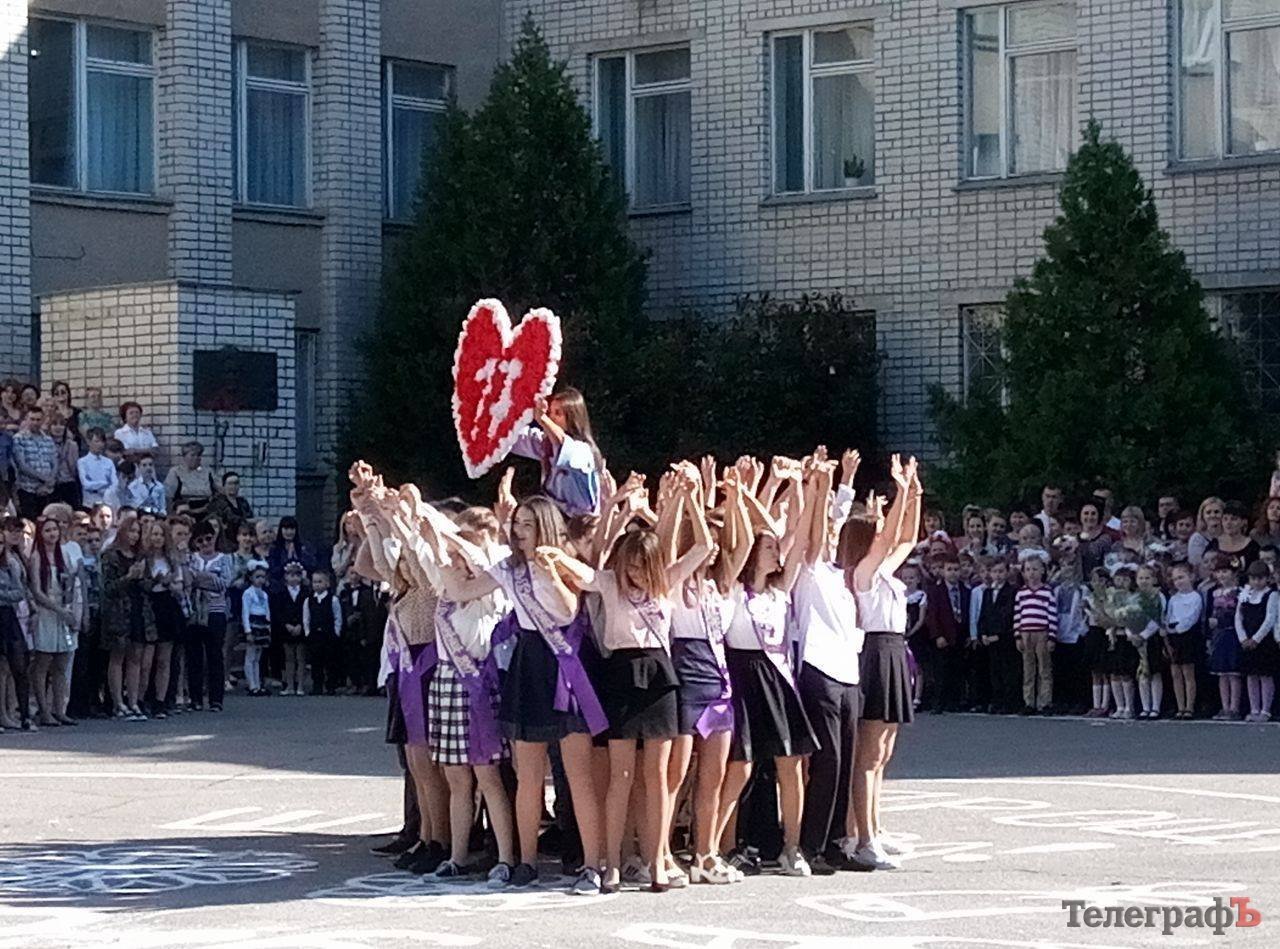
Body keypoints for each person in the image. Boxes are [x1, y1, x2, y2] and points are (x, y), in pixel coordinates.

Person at [542, 464, 713, 891]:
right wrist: (554, 555)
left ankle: (657, 862)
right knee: (621, 775)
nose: (634, 572)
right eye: (629, 564)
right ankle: (612, 863)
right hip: (620, 675)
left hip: (659, 677)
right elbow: (580, 574)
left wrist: (691, 497)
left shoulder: (665, 585)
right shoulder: (610, 583)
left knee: (657, 776)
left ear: (653, 564)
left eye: (640, 565)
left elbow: (705, 546)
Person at [432, 489, 607, 895]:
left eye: (528, 524)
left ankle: (591, 865)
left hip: (563, 666)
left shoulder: (564, 563)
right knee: (528, 775)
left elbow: (567, 610)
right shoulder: (507, 569)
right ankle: (525, 862)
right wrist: (441, 548)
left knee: (578, 776)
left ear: (546, 527)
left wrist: (549, 569)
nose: (519, 531)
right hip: (528, 663)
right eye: (517, 524)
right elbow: (461, 591)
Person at [391, 501, 518, 885]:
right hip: (446, 683)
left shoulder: (489, 588)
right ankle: (457, 856)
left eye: (464, 555)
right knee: (456, 777)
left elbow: (477, 560)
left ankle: (506, 858)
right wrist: (404, 512)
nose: (457, 562)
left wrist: (448, 533)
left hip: (477, 686)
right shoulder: (447, 589)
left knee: (488, 776)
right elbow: (425, 552)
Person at [840, 454, 921, 871]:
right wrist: (900, 494)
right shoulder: (861, 573)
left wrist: (915, 491)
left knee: (883, 752)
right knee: (868, 755)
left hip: (893, 651)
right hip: (873, 652)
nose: (881, 537)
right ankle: (862, 836)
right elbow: (890, 539)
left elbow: (905, 540)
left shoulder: (883, 572)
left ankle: (874, 827)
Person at [792, 454, 867, 874]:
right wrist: (820, 488)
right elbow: (822, 527)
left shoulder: (842, 578)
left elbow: (836, 524)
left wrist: (848, 478)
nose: (832, 541)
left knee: (847, 761)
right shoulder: (810, 572)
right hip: (819, 670)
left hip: (848, 674)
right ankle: (812, 843)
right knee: (828, 761)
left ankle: (837, 841)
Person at [510, 388, 603, 518]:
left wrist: (543, 419)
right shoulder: (545, 444)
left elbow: (563, 445)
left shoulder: (583, 451)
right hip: (556, 519)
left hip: (582, 526)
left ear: (573, 418)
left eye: (558, 413)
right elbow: (513, 437)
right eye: (550, 413)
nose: (551, 417)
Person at [27, 516, 78, 727]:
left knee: (61, 663)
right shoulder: (37, 557)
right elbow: (37, 591)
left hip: (63, 611)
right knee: (43, 663)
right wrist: (57, 609)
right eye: (47, 530)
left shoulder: (64, 554)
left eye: (54, 530)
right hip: (47, 611)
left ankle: (59, 709)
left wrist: (71, 609)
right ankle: (44, 710)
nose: (52, 534)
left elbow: (70, 582)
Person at [100, 512, 151, 720]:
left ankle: (133, 701)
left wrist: (148, 579)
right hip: (117, 612)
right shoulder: (110, 555)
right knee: (117, 657)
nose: (134, 536)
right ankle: (118, 703)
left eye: (138, 532)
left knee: (136, 657)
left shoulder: (140, 556)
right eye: (131, 531)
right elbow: (109, 587)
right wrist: (128, 577)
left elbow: (146, 585)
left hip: (138, 609)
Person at [188, 520, 232, 712]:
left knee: (215, 655)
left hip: (216, 612)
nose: (206, 544)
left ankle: (216, 699)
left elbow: (225, 583)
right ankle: (195, 697)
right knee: (194, 655)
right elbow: (189, 580)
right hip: (195, 612)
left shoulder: (224, 558)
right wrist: (206, 580)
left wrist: (203, 579)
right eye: (201, 541)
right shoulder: (191, 558)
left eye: (209, 538)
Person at [922, 554, 969, 714]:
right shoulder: (936, 591)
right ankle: (938, 703)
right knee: (941, 672)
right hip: (943, 636)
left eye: (956, 569)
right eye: (949, 569)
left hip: (960, 636)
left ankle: (954, 701)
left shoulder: (965, 590)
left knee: (957, 670)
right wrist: (937, 635)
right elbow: (932, 615)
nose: (953, 573)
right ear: (943, 571)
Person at [0, 517, 33, 731]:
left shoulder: (11, 561)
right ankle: (3, 715)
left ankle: (24, 716)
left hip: (9, 616)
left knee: (20, 665)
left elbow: (19, 591)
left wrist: (4, 595)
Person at [1236, 560, 1278, 723]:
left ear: (1267, 578)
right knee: (1251, 675)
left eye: (1260, 578)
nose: (1256, 582)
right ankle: (1254, 708)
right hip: (1246, 640)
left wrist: (1256, 639)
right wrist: (1243, 638)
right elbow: (1238, 617)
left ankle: (1265, 709)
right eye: (1253, 578)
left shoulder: (1271, 595)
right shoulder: (1245, 594)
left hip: (1264, 641)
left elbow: (1270, 619)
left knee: (1265, 675)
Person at [1014, 556, 1057, 716]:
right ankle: (1029, 701)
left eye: (1035, 569)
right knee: (1028, 668)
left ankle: (1045, 701)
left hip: (1042, 632)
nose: (1031, 573)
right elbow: (1017, 614)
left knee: (1044, 668)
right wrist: (1018, 635)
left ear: (1042, 571)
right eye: (1028, 570)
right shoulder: (1021, 593)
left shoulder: (1047, 592)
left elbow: (1052, 614)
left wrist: (1052, 636)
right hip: (1026, 632)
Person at [1164, 562, 1202, 720]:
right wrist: (1169, 629)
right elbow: (1168, 616)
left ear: (1191, 577)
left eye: (1181, 577)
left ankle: (1189, 706)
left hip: (1188, 636)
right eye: (1175, 579)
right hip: (1174, 636)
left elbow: (1192, 617)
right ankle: (1180, 706)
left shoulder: (1196, 597)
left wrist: (1179, 628)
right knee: (1176, 673)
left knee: (1188, 673)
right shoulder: (1173, 599)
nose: (1178, 581)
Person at [1131, 565, 1167, 719]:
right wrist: (1131, 633)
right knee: (1142, 674)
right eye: (1141, 578)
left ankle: (1156, 707)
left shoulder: (1158, 596)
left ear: (1154, 579)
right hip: (1136, 639)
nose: (1144, 581)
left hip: (1153, 638)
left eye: (1147, 578)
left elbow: (1157, 618)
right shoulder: (1134, 597)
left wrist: (1144, 635)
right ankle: (1145, 706)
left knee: (1154, 673)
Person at [303, 568, 343, 695]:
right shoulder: (309, 600)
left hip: (329, 635)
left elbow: (338, 617)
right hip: (315, 635)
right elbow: (306, 617)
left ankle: (331, 686)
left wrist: (336, 632)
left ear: (327, 583)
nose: (317, 584)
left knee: (330, 661)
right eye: (314, 582)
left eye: (320, 582)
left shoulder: (333, 600)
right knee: (316, 662)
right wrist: (307, 632)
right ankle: (317, 686)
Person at [12, 407, 57, 520]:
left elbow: (54, 463)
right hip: (28, 490)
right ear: (26, 419)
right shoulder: (19, 439)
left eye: (38, 420)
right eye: (32, 419)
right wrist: (44, 479)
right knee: (30, 525)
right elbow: (22, 465)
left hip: (47, 491)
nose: (35, 423)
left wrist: (48, 483)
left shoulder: (48, 440)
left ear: (42, 420)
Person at [1081, 567, 1113, 717]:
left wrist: (1092, 610)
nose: (1095, 583)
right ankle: (1096, 704)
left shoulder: (1109, 596)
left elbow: (1105, 618)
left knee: (1105, 670)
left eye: (1098, 580)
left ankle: (1105, 704)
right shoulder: (1090, 597)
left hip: (1105, 633)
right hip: (1093, 633)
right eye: (1093, 580)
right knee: (1095, 671)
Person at [273, 561, 308, 696]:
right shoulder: (280, 593)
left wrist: (300, 624)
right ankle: (289, 685)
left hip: (301, 628)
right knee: (289, 658)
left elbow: (307, 610)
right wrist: (286, 625)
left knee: (301, 657)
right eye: (290, 575)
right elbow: (278, 612)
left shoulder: (306, 592)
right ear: (285, 576)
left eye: (297, 575)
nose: (294, 578)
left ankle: (300, 685)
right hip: (286, 629)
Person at [1205, 501, 1261, 575]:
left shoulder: (1252, 547)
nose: (1228, 523)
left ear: (1243, 522)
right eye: (1225, 519)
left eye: (1233, 519)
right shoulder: (1214, 544)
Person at [240, 565, 272, 696]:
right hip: (253, 623)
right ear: (251, 578)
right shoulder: (248, 593)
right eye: (257, 577)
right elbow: (245, 612)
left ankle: (258, 684)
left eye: (263, 577)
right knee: (250, 656)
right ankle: (251, 684)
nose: (260, 580)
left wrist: (268, 627)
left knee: (257, 657)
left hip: (262, 624)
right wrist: (247, 630)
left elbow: (267, 610)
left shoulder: (264, 594)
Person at [165, 442, 217, 517]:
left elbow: (219, 491)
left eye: (198, 455)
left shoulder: (208, 472)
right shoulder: (176, 472)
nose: (196, 458)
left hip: (206, 510)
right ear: (184, 456)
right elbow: (168, 497)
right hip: (184, 511)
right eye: (192, 455)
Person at [206, 472, 254, 553]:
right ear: (224, 486)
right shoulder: (217, 502)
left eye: (236, 483)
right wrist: (246, 521)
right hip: (226, 541)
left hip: (244, 540)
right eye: (230, 483)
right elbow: (229, 519)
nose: (234, 486)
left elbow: (250, 518)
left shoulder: (243, 502)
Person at [269, 516, 315, 592]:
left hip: (302, 587)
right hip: (280, 588)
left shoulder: (304, 546)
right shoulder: (274, 548)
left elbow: (312, 566)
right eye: (286, 529)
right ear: (281, 530)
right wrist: (288, 560)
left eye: (292, 529)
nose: (289, 532)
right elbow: (274, 571)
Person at [78, 429, 118, 508]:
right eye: (97, 441)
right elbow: (86, 484)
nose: (100, 444)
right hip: (90, 503)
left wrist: (108, 492)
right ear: (89, 442)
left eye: (102, 442)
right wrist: (103, 484)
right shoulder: (82, 462)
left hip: (107, 502)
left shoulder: (108, 462)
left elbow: (115, 482)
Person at [47, 414, 80, 509]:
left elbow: (74, 467)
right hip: (51, 484)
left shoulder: (72, 445)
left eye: (61, 424)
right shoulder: (46, 443)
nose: (58, 427)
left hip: (68, 482)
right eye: (54, 424)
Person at [1188, 497, 1224, 570]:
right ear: (1202, 516)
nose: (1213, 515)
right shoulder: (1197, 538)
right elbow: (1196, 565)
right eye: (1208, 512)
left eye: (1216, 512)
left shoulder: (1231, 535)